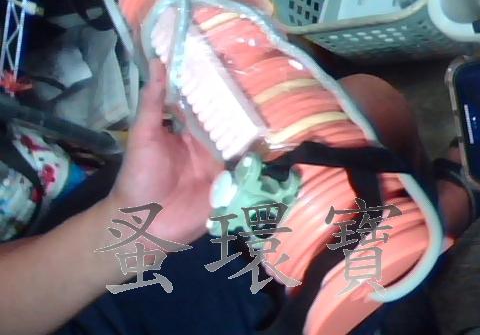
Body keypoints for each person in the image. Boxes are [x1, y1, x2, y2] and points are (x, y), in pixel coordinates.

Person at [0, 62, 472, 335]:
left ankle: (435, 215)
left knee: (368, 106)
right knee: (374, 289)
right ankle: (456, 203)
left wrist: (132, 226)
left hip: (87, 267)